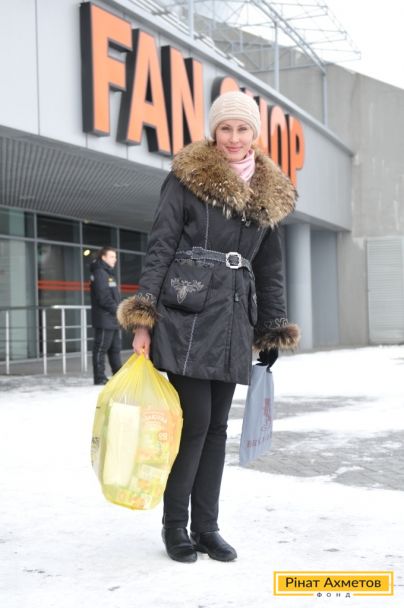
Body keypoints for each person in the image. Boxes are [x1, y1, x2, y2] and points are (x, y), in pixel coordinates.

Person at [117, 91, 300, 563]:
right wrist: (143, 318)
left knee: (217, 428)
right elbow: (160, 246)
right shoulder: (186, 178)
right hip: (187, 315)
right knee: (194, 423)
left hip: (236, 318)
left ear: (254, 135)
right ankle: (174, 526)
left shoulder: (269, 190)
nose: (234, 138)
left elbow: (270, 267)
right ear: (213, 132)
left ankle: (207, 528)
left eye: (242, 129)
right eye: (225, 128)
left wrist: (272, 325)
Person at [90, 246, 122, 385]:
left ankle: (118, 375)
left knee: (115, 349)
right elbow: (103, 298)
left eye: (115, 257)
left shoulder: (108, 273)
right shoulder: (100, 273)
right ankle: (99, 377)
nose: (115, 259)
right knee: (101, 348)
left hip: (112, 318)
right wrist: (118, 310)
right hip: (104, 318)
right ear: (103, 257)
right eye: (111, 256)